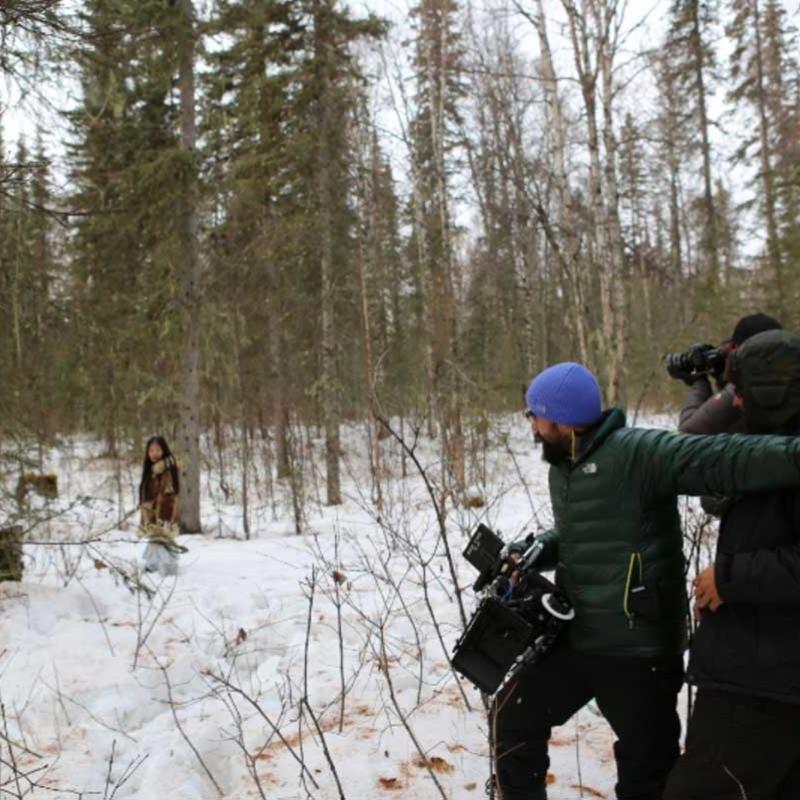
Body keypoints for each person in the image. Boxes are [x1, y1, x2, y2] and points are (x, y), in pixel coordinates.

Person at [493, 361, 800, 800]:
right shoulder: (564, 465)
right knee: (514, 718)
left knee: (646, 773)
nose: (533, 427)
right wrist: (541, 547)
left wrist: (794, 456)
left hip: (639, 652)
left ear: (559, 418)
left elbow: (724, 457)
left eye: (534, 416)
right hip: (580, 637)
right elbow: (590, 528)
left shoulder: (637, 452)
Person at [664, 330, 800, 800]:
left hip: (764, 681)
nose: (733, 404)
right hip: (760, 661)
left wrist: (729, 579)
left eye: (740, 393)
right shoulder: (770, 447)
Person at [677, 311, 782, 436]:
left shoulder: (744, 390)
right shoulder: (792, 380)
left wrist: (699, 383)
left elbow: (688, 435)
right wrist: (724, 378)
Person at [138, 435, 183, 576]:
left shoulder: (165, 470)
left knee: (162, 539)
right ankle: (154, 564)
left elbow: (169, 495)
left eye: (158, 450)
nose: (154, 454)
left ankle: (168, 567)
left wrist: (163, 517)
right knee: (155, 539)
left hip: (163, 512)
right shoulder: (151, 470)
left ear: (164, 451)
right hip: (152, 512)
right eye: (151, 450)